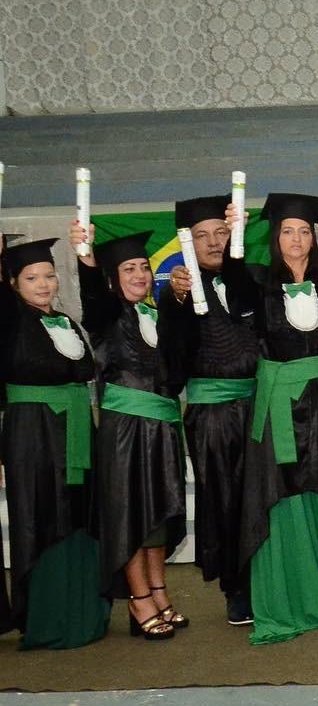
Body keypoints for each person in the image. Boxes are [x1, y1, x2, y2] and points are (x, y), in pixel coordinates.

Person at [74, 226, 188, 640]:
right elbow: (92, 297)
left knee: (158, 513)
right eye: (128, 269)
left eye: (144, 267)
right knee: (130, 516)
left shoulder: (158, 315)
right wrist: (86, 259)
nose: (139, 275)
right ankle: (139, 599)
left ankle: (158, 590)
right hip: (125, 431)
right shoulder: (106, 317)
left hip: (161, 428)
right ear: (112, 278)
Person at [239, 192, 318, 645]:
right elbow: (225, 277)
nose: (296, 239)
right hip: (279, 405)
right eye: (287, 231)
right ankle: (285, 597)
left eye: (304, 231)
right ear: (275, 238)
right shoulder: (258, 283)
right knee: (281, 494)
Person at [0, 237, 108, 650]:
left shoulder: (67, 322)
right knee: (43, 515)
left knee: (79, 513)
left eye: (48, 275)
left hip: (78, 428)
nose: (43, 284)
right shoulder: (11, 322)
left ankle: (83, 612)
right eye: (31, 278)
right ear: (13, 284)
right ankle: (47, 618)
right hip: (33, 434)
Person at [163, 194, 260, 625]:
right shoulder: (179, 293)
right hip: (213, 416)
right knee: (224, 502)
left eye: (221, 232)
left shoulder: (249, 279)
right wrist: (176, 301)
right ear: (188, 243)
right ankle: (235, 588)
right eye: (202, 236)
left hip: (257, 405)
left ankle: (268, 579)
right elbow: (172, 360)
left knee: (260, 497)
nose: (213, 242)